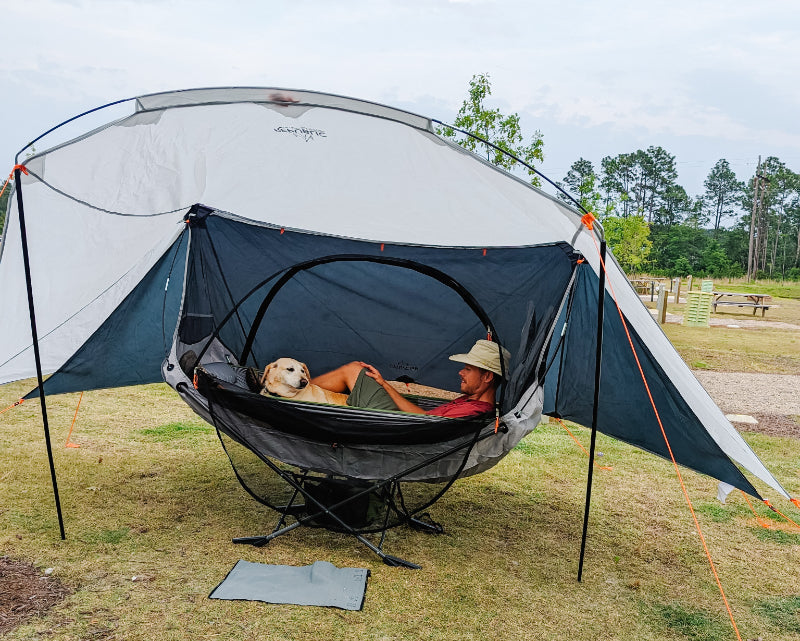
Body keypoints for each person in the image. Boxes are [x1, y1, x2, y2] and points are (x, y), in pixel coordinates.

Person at [310, 339, 510, 418]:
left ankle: (296, 390)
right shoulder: (469, 401)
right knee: (357, 372)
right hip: (404, 422)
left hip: (393, 427)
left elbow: (424, 422)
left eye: (468, 369)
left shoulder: (473, 410)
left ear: (487, 376)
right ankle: (299, 388)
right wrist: (384, 384)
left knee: (353, 370)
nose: (460, 373)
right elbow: (425, 416)